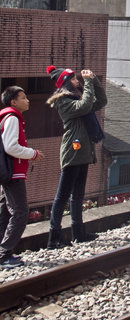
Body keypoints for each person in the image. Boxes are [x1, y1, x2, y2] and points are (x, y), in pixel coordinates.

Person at [46, 65, 107, 248]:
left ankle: (78, 233)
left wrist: (93, 79)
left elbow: (101, 100)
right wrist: (88, 82)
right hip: (73, 152)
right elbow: (86, 105)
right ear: (65, 83)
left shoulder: (77, 99)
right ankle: (53, 238)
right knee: (62, 196)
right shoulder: (63, 101)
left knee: (78, 195)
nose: (77, 81)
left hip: (83, 151)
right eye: (73, 79)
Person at [0, 86, 45, 268]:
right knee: (20, 212)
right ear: (14, 102)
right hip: (14, 172)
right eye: (24, 97)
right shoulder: (12, 119)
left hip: (9, 172)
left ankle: (2, 252)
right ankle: (4, 255)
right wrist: (32, 153)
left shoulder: (7, 117)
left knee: (4, 212)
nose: (27, 100)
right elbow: (10, 147)